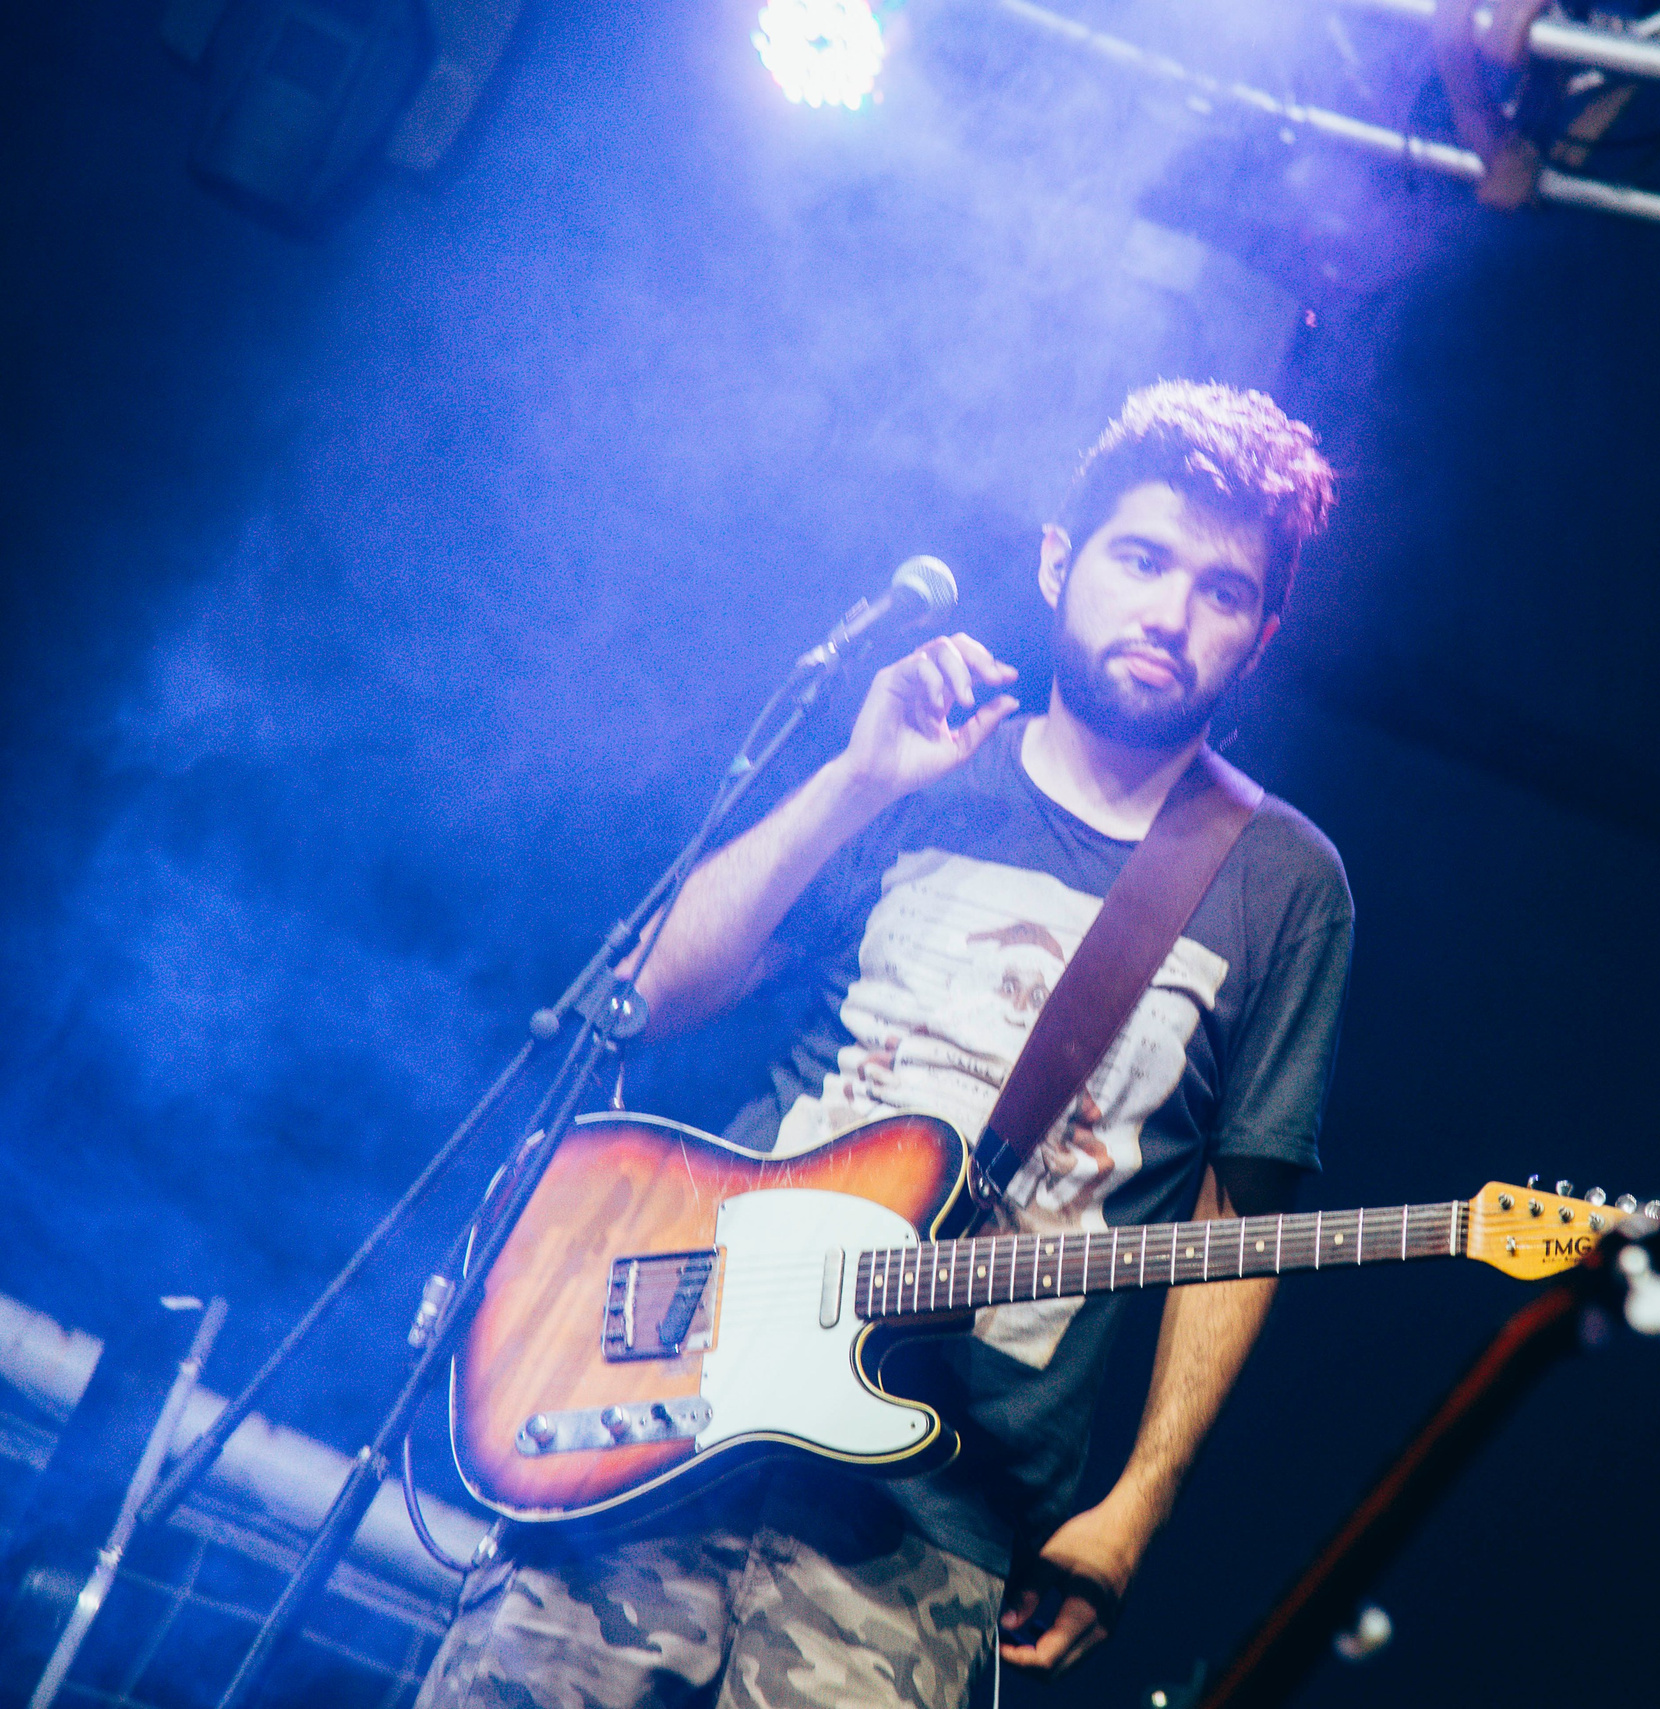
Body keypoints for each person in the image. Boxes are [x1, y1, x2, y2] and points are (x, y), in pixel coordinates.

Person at [417, 382, 1351, 1709]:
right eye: (1142, 560)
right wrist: (859, 775)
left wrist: (1138, 1503)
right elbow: (650, 994)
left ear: (1259, 632)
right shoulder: (932, 766)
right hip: (650, 1423)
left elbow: (1237, 1225)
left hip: (926, 1534)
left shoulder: (1281, 883)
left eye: (1220, 589)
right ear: (1058, 558)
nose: (1170, 613)